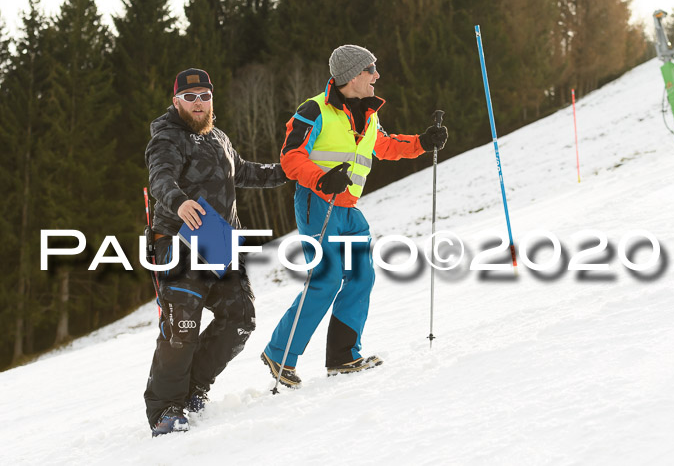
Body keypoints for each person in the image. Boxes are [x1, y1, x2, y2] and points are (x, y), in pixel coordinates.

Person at [261, 45, 448, 388]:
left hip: (348, 208)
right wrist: (320, 178)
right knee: (327, 278)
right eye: (371, 70)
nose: (377, 76)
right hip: (318, 202)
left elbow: (386, 145)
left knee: (362, 276)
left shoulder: (369, 114)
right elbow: (291, 156)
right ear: (351, 75)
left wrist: (422, 142)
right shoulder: (314, 110)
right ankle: (279, 353)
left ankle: (343, 356)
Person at [144, 68, 287, 436]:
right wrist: (178, 201)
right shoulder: (166, 137)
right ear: (176, 101)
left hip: (220, 243)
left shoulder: (218, 137)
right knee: (182, 328)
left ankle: (193, 389)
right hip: (179, 240)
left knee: (240, 320)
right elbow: (160, 176)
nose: (198, 103)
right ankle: (165, 409)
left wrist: (289, 172)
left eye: (204, 96)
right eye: (190, 97)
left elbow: (244, 172)